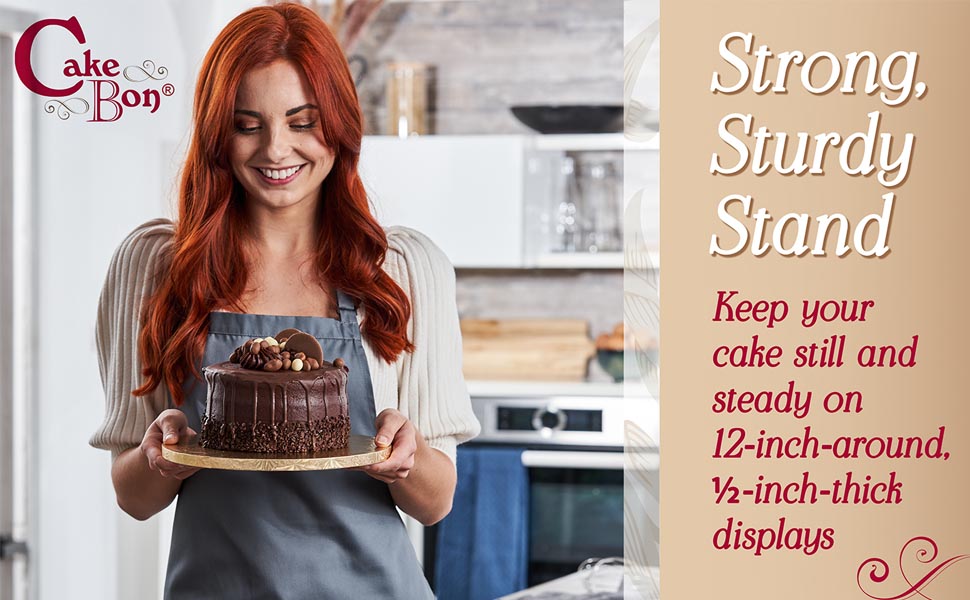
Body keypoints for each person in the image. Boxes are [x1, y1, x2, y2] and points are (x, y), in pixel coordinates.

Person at [89, 3, 480, 598]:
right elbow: (133, 498)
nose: (276, 150)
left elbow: (436, 502)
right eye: (248, 124)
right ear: (217, 133)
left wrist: (408, 457)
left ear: (341, 125)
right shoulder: (156, 267)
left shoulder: (400, 270)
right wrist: (157, 461)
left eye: (303, 122)